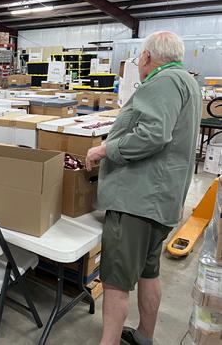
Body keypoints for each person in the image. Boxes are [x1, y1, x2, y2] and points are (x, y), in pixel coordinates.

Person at [85, 31, 201, 345]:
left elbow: (153, 134)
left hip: (137, 200)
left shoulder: (161, 82)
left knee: (115, 283)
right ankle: (144, 336)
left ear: (147, 57)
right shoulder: (187, 80)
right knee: (149, 272)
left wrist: (105, 150)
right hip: (163, 200)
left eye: (139, 59)